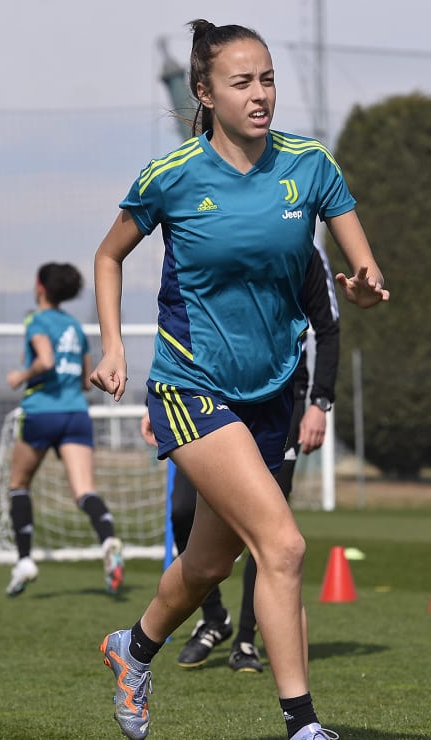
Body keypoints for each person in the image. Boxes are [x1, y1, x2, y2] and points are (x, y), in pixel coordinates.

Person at [90, 20, 388, 740]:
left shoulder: (311, 165)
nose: (260, 95)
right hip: (192, 387)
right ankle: (304, 725)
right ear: (205, 92)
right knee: (281, 547)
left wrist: (366, 283)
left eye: (268, 79)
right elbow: (108, 257)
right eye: (241, 82)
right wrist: (112, 347)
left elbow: (362, 263)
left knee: (205, 565)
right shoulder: (172, 177)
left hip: (272, 392)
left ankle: (133, 648)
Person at [143, 246, 339, 673]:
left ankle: (247, 642)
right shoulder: (219, 229)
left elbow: (329, 327)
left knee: (272, 538)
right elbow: (187, 309)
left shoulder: (303, 245)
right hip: (208, 398)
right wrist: (161, 396)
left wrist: (319, 403)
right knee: (185, 517)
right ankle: (212, 620)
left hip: (280, 404)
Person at [4, 262, 125, 597]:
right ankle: (109, 540)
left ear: (40, 287)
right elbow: (88, 378)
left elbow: (45, 361)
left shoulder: (36, 320)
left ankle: (25, 560)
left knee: (18, 484)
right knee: (84, 491)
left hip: (42, 411)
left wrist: (20, 377)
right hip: (75, 413)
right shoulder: (74, 326)